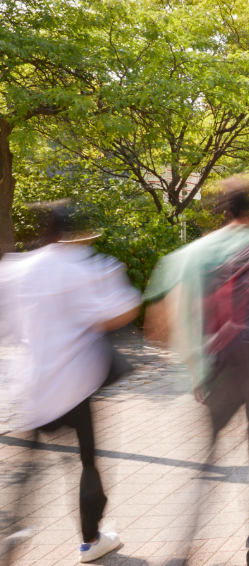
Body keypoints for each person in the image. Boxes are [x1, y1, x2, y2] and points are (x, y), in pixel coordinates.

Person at [144, 176, 249, 566]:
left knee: (206, 461)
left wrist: (195, 371)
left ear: (224, 211)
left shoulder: (188, 255)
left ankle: (182, 551)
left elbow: (160, 325)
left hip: (212, 370)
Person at [0, 200, 141, 563]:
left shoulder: (14, 268)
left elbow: (8, 326)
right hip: (75, 383)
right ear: (74, 231)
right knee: (86, 463)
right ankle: (91, 540)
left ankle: (10, 538)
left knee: (28, 471)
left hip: (31, 385)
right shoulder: (81, 266)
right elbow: (122, 310)